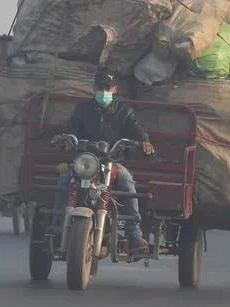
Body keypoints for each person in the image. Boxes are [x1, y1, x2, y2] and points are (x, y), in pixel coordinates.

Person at [51, 68, 155, 252]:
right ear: (93, 87)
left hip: (111, 162)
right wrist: (66, 139)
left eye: (107, 87)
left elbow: (138, 130)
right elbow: (72, 129)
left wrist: (144, 141)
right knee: (64, 179)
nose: (103, 91)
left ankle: (134, 233)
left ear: (114, 89)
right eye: (100, 87)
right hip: (85, 161)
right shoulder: (82, 109)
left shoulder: (125, 112)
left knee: (127, 181)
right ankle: (57, 225)